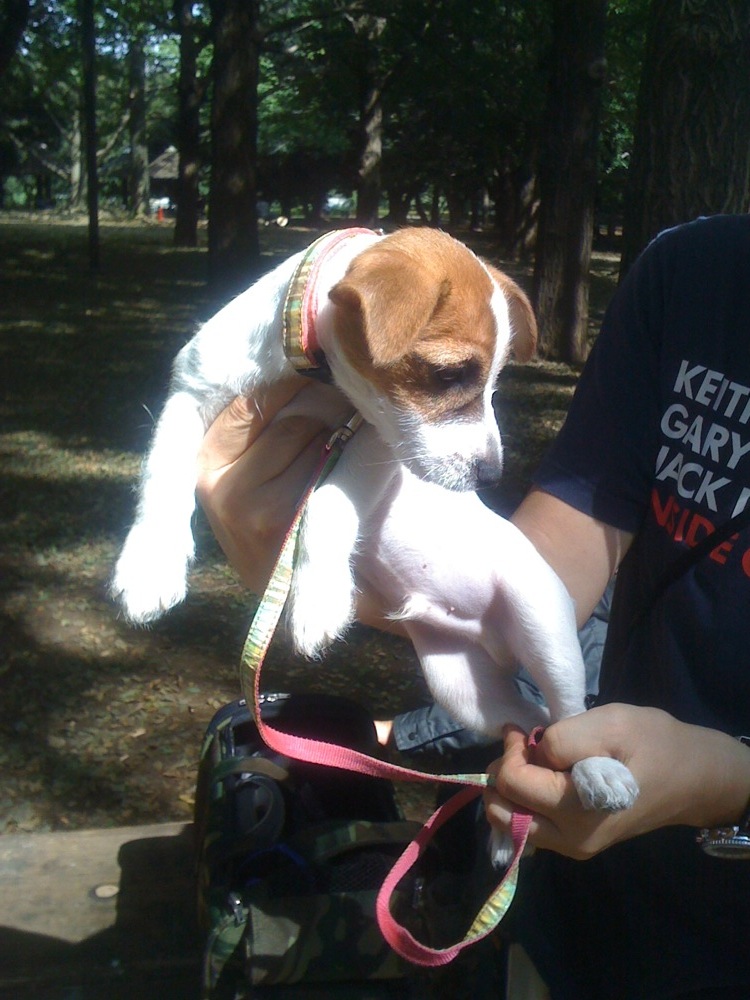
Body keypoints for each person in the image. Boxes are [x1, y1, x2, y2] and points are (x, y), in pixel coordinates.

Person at [196, 215, 750, 999]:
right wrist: (371, 581)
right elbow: (562, 547)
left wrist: (728, 781)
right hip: (576, 907)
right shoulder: (696, 272)